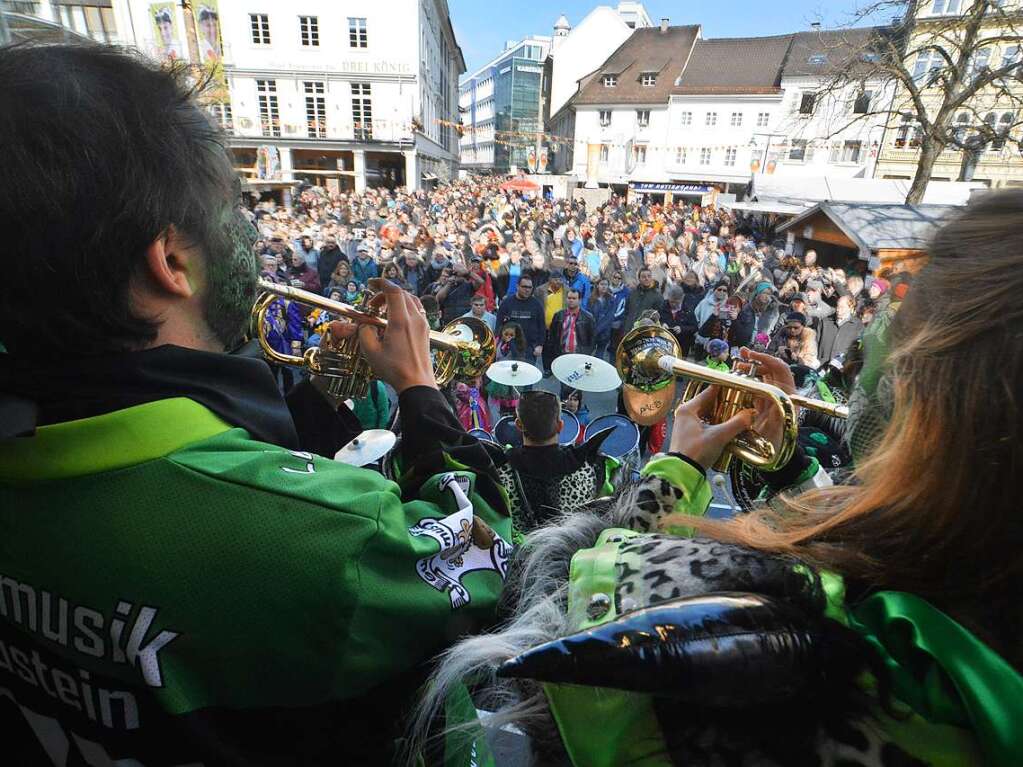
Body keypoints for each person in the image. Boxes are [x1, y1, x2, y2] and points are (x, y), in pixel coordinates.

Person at [0, 45, 513, 766]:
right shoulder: (329, 536)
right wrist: (420, 389)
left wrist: (321, 391)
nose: (252, 237)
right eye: (234, 213)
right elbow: (484, 548)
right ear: (171, 261)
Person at [408, 192, 1023, 767]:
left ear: (929, 411)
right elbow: (864, 555)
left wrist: (680, 466)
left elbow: (549, 608)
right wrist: (785, 466)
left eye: (887, 341)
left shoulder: (767, 640)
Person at [493, 390, 615, 532]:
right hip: (572, 549)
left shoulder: (500, 473)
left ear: (519, 425)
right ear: (560, 425)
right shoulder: (590, 469)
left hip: (522, 551)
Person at [495, 275, 546, 370]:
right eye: (524, 287)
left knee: (527, 379)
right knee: (508, 377)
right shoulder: (507, 303)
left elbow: (542, 326)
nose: (527, 290)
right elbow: (499, 324)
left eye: (530, 287)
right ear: (517, 286)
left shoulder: (537, 304)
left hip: (530, 348)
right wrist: (498, 342)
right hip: (509, 346)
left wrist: (540, 345)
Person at [544, 288, 596, 372]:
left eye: (574, 298)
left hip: (579, 356)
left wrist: (586, 354)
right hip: (561, 354)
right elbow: (552, 336)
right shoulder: (558, 315)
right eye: (569, 298)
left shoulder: (588, 317)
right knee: (563, 380)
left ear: (580, 300)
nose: (571, 300)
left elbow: (592, 339)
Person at [817, 294, 863, 365]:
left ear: (850, 308)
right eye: (837, 306)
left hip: (843, 368)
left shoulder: (858, 326)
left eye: (842, 307)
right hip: (822, 365)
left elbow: (859, 350)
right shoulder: (825, 322)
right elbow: (816, 343)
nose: (838, 309)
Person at [622, 267, 663, 331]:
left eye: (649, 276)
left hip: (645, 331)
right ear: (639, 279)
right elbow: (626, 312)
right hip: (629, 331)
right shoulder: (632, 293)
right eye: (643, 277)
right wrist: (625, 326)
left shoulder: (657, 296)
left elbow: (660, 316)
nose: (646, 279)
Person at [588, 278, 616, 361]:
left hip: (604, 333)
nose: (604, 286)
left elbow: (609, 317)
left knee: (599, 356)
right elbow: (588, 315)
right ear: (597, 285)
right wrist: (592, 329)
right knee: (587, 354)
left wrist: (598, 329)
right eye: (602, 284)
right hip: (591, 332)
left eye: (606, 284)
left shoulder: (611, 299)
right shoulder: (591, 299)